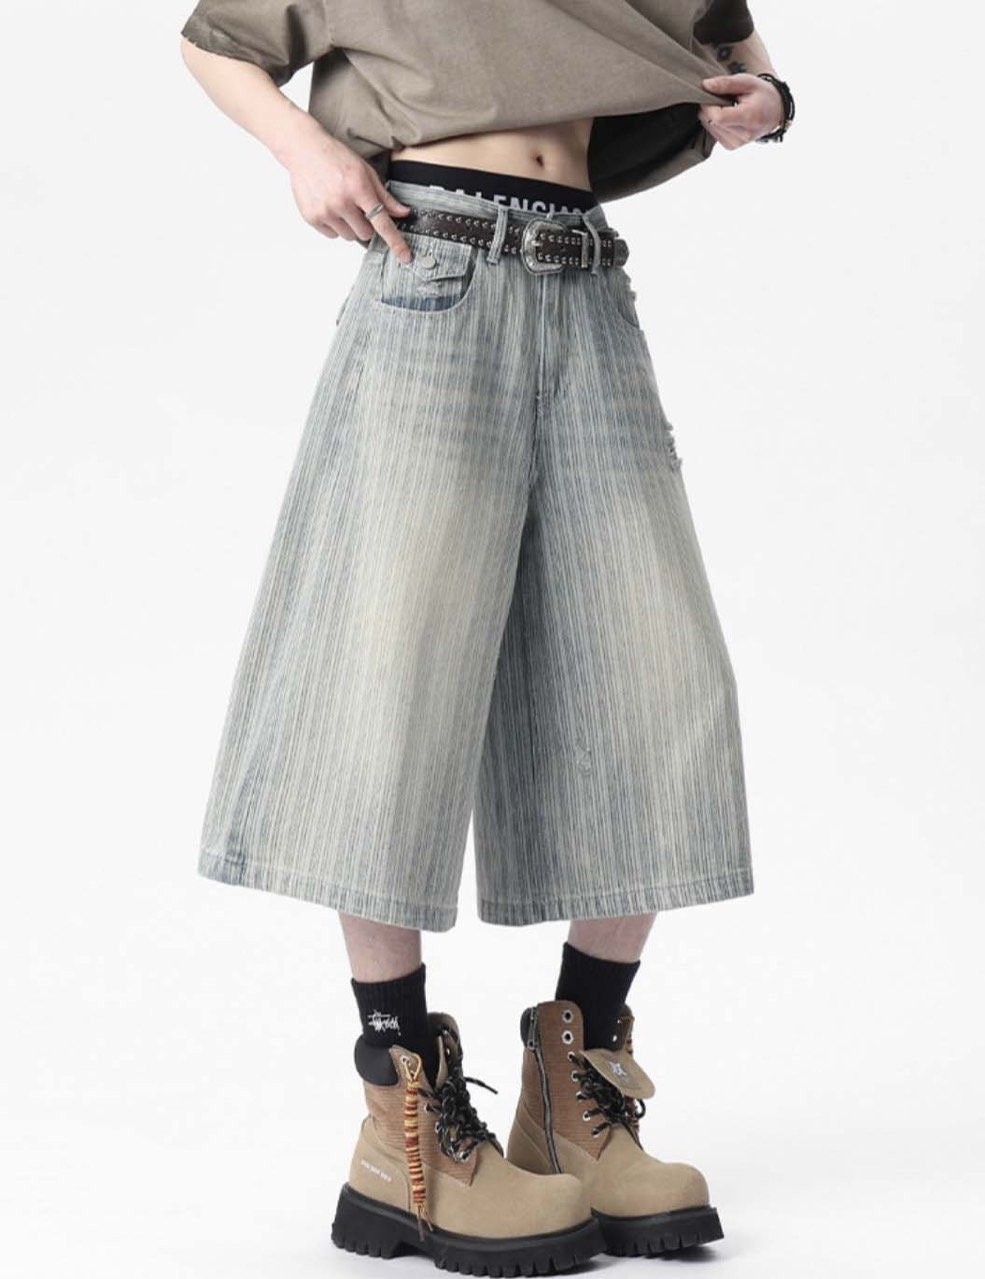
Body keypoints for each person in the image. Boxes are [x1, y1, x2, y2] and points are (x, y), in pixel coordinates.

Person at [179, 2, 793, 1271]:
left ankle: (575, 1089)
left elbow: (728, 40)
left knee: (657, 680)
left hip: (587, 278)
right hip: (433, 262)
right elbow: (218, 38)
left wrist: (768, 102)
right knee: (389, 672)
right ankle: (403, 1115)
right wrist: (304, 148)